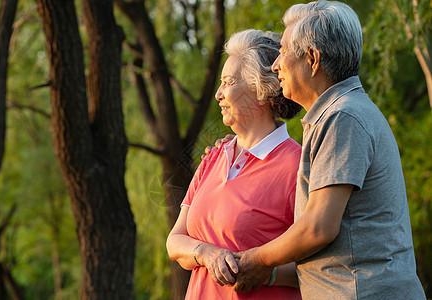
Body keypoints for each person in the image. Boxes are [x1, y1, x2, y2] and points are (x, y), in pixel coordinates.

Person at [211, 1, 426, 299]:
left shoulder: (343, 117)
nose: (275, 65)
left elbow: (319, 227)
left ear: (312, 58)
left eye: (284, 51)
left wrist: (257, 259)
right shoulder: (337, 114)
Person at [166, 29, 303, 299]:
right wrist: (206, 253)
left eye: (228, 82)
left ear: (261, 91)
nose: (218, 94)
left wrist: (269, 272)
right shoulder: (213, 157)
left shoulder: (298, 166)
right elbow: (175, 242)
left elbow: (321, 268)